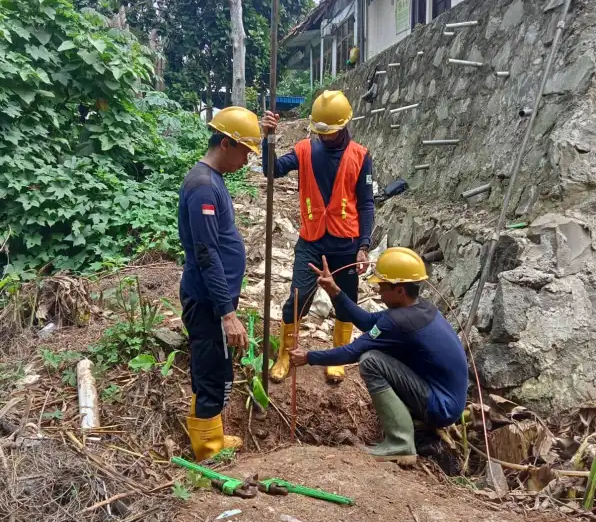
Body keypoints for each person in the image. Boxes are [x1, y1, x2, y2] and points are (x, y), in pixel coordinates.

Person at [289, 247, 469, 464]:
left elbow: (353, 352)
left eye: (383, 287)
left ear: (400, 290)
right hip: (448, 399)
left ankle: (400, 444)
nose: (379, 292)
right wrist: (335, 291)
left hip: (441, 407)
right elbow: (367, 322)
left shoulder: (399, 321)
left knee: (371, 361)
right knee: (381, 354)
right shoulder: (419, 308)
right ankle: (409, 422)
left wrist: (309, 357)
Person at [261, 90, 374, 384]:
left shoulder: (361, 156)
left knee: (345, 302)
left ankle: (339, 355)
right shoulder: (304, 149)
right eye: (320, 132)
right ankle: (285, 354)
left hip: (346, 243)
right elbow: (270, 170)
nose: (324, 137)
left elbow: (366, 203)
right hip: (311, 240)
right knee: (297, 298)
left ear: (343, 126)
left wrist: (364, 245)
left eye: (330, 132)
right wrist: (268, 139)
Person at [178, 106, 261, 462]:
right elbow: (206, 253)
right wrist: (227, 313)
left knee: (213, 367)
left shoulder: (213, 180)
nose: (247, 160)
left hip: (216, 299)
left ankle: (208, 436)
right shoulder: (202, 189)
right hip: (210, 302)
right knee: (212, 370)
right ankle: (207, 453)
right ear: (226, 144)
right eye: (245, 151)